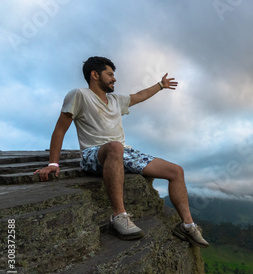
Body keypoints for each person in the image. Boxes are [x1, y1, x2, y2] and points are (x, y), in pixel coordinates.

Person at [34, 56, 209, 247]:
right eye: (110, 74)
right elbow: (60, 129)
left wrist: (160, 85)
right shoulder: (79, 95)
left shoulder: (116, 100)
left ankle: (187, 225)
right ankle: (119, 216)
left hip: (124, 153)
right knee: (115, 146)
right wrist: (53, 163)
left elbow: (139, 95)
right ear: (94, 75)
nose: (114, 79)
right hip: (94, 154)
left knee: (176, 171)